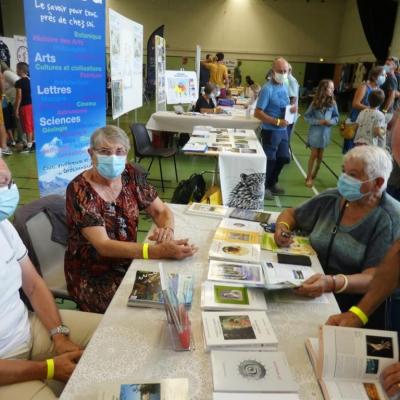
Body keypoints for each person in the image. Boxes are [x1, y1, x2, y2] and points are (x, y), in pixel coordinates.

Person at [65, 125, 198, 313]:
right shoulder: (79, 190)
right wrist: (157, 251)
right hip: (93, 275)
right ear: (91, 153)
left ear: (126, 154)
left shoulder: (130, 175)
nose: (113, 157)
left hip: (130, 260)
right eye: (105, 151)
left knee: (179, 293)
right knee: (143, 312)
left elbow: (161, 211)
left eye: (120, 151)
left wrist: (167, 232)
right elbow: (104, 246)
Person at [0, 158, 101, 399]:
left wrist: (58, 334)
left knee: (112, 333)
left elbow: (33, 285)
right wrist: (49, 368)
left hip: (28, 328)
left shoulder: (3, 225)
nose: (5, 174)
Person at [274, 145, 400, 329]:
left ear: (378, 182)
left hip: (357, 304)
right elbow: (292, 214)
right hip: (316, 288)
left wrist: (332, 282)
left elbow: (375, 278)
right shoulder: (333, 197)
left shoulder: (389, 219)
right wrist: (282, 228)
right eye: (344, 172)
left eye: (353, 175)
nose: (344, 179)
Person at [254, 57, 292, 200]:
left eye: (285, 71)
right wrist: (276, 121)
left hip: (283, 130)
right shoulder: (266, 89)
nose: (282, 73)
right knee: (270, 160)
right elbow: (257, 112)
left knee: (283, 157)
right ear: (273, 71)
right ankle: (263, 187)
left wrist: (291, 110)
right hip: (271, 130)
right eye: (279, 71)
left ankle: (272, 182)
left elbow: (284, 104)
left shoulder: (284, 86)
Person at [304, 79, 339, 187]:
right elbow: (306, 117)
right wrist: (318, 121)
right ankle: (309, 176)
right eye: (330, 88)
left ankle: (316, 170)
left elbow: (336, 117)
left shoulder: (333, 103)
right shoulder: (315, 102)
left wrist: (331, 122)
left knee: (320, 155)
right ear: (324, 89)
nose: (333, 90)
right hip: (315, 132)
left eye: (333, 88)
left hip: (325, 133)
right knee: (314, 154)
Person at [342, 66, 385, 153]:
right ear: (373, 76)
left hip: (369, 126)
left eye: (385, 75)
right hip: (356, 122)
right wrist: (371, 109)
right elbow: (355, 103)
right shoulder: (364, 87)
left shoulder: (379, 90)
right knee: (352, 152)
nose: (384, 77)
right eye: (382, 75)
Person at [14, 62, 34, 152]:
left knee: (27, 125)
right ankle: (33, 142)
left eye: (17, 69)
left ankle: (29, 146)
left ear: (21, 70)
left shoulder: (19, 82)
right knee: (31, 125)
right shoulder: (30, 81)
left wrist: (16, 109)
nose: (16, 70)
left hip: (24, 107)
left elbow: (19, 97)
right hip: (31, 105)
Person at [284, 64, 300, 143]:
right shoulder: (288, 79)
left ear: (289, 70)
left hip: (288, 115)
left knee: (285, 138)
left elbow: (293, 98)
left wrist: (286, 115)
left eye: (284, 70)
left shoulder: (291, 80)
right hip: (288, 114)